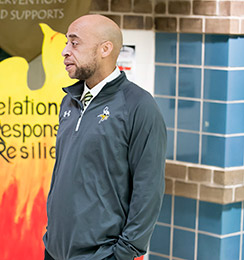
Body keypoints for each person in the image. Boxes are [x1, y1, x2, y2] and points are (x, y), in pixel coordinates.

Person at [43, 14, 167, 260]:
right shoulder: (69, 101)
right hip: (55, 250)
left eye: (74, 43)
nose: (65, 51)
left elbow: (148, 190)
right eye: (67, 43)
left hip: (102, 255)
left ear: (105, 49)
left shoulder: (139, 106)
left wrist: (123, 253)